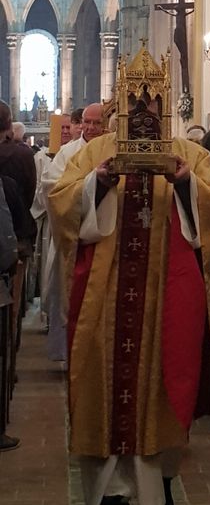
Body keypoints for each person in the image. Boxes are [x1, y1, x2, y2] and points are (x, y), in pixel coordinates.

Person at [48, 125, 210, 505]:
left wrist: (185, 185)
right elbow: (61, 202)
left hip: (164, 296)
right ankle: (109, 489)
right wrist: (96, 183)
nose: (143, 110)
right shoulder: (94, 152)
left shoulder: (189, 154)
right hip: (106, 295)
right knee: (103, 385)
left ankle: (158, 482)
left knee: (159, 389)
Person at [41, 103, 104, 360]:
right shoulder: (67, 153)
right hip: (73, 235)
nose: (89, 127)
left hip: (105, 234)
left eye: (96, 123)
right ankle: (69, 354)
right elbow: (52, 188)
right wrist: (91, 184)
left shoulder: (113, 149)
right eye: (86, 122)